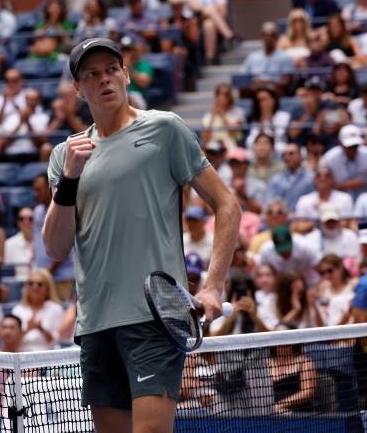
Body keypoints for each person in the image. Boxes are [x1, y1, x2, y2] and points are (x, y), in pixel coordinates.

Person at [42, 37, 240, 433]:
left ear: (126, 74)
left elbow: (227, 205)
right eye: (92, 74)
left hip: (156, 317)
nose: (105, 80)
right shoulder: (67, 155)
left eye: (112, 70)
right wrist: (69, 181)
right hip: (96, 323)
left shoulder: (165, 129)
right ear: (78, 89)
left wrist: (214, 286)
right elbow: (55, 247)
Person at [11, 268, 65, 351]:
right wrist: (27, 329)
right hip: (22, 356)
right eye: (30, 283)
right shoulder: (17, 310)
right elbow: (11, 341)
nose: (35, 287)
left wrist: (41, 329)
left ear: (48, 288)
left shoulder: (56, 309)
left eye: (39, 284)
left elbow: (58, 340)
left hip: (48, 357)